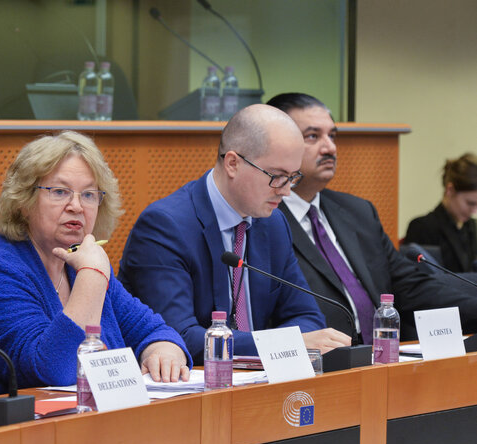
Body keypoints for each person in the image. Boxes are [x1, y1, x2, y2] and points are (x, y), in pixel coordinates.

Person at [0, 131, 191, 395]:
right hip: (21, 432)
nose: (76, 206)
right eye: (60, 192)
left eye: (89, 195)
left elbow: (153, 329)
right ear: (24, 201)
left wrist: (163, 349)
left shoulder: (83, 265)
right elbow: (49, 370)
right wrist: (91, 277)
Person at [118, 104, 350, 362]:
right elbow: (179, 335)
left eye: (292, 177)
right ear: (232, 163)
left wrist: (282, 345)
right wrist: (283, 343)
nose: (286, 191)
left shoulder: (274, 224)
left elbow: (307, 317)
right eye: (277, 176)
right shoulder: (165, 226)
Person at [268, 92, 477, 342]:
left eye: (332, 136)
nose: (330, 147)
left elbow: (410, 286)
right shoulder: (261, 220)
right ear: (277, 146)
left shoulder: (358, 212)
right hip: (321, 366)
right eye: (313, 136)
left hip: (383, 361)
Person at [404, 153, 477, 273]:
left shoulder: (472, 228)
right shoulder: (422, 227)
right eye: (470, 203)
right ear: (450, 190)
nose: (474, 211)